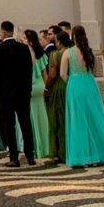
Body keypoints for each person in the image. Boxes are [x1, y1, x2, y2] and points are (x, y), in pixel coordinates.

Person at [60, 25, 104, 167]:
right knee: (94, 118)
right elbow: (94, 71)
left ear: (73, 37)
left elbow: (62, 74)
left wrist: (71, 81)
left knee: (77, 120)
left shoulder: (68, 53)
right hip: (89, 84)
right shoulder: (89, 52)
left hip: (75, 85)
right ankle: (98, 153)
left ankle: (81, 156)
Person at [0, 21, 37, 167]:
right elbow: (28, 71)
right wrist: (28, 90)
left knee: (9, 125)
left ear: (3, 32)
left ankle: (14, 157)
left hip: (5, 94)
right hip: (22, 92)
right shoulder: (23, 48)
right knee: (25, 123)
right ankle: (30, 155)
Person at [44, 26, 70, 166]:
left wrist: (47, 88)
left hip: (58, 88)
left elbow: (52, 75)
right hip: (70, 87)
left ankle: (57, 151)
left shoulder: (55, 54)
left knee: (56, 120)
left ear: (58, 42)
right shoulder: (72, 52)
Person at [25, 28, 50, 163]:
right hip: (40, 86)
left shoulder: (25, 55)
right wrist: (47, 89)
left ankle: (36, 147)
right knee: (43, 118)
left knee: (32, 119)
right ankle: (46, 147)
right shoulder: (41, 55)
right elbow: (45, 75)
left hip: (30, 87)